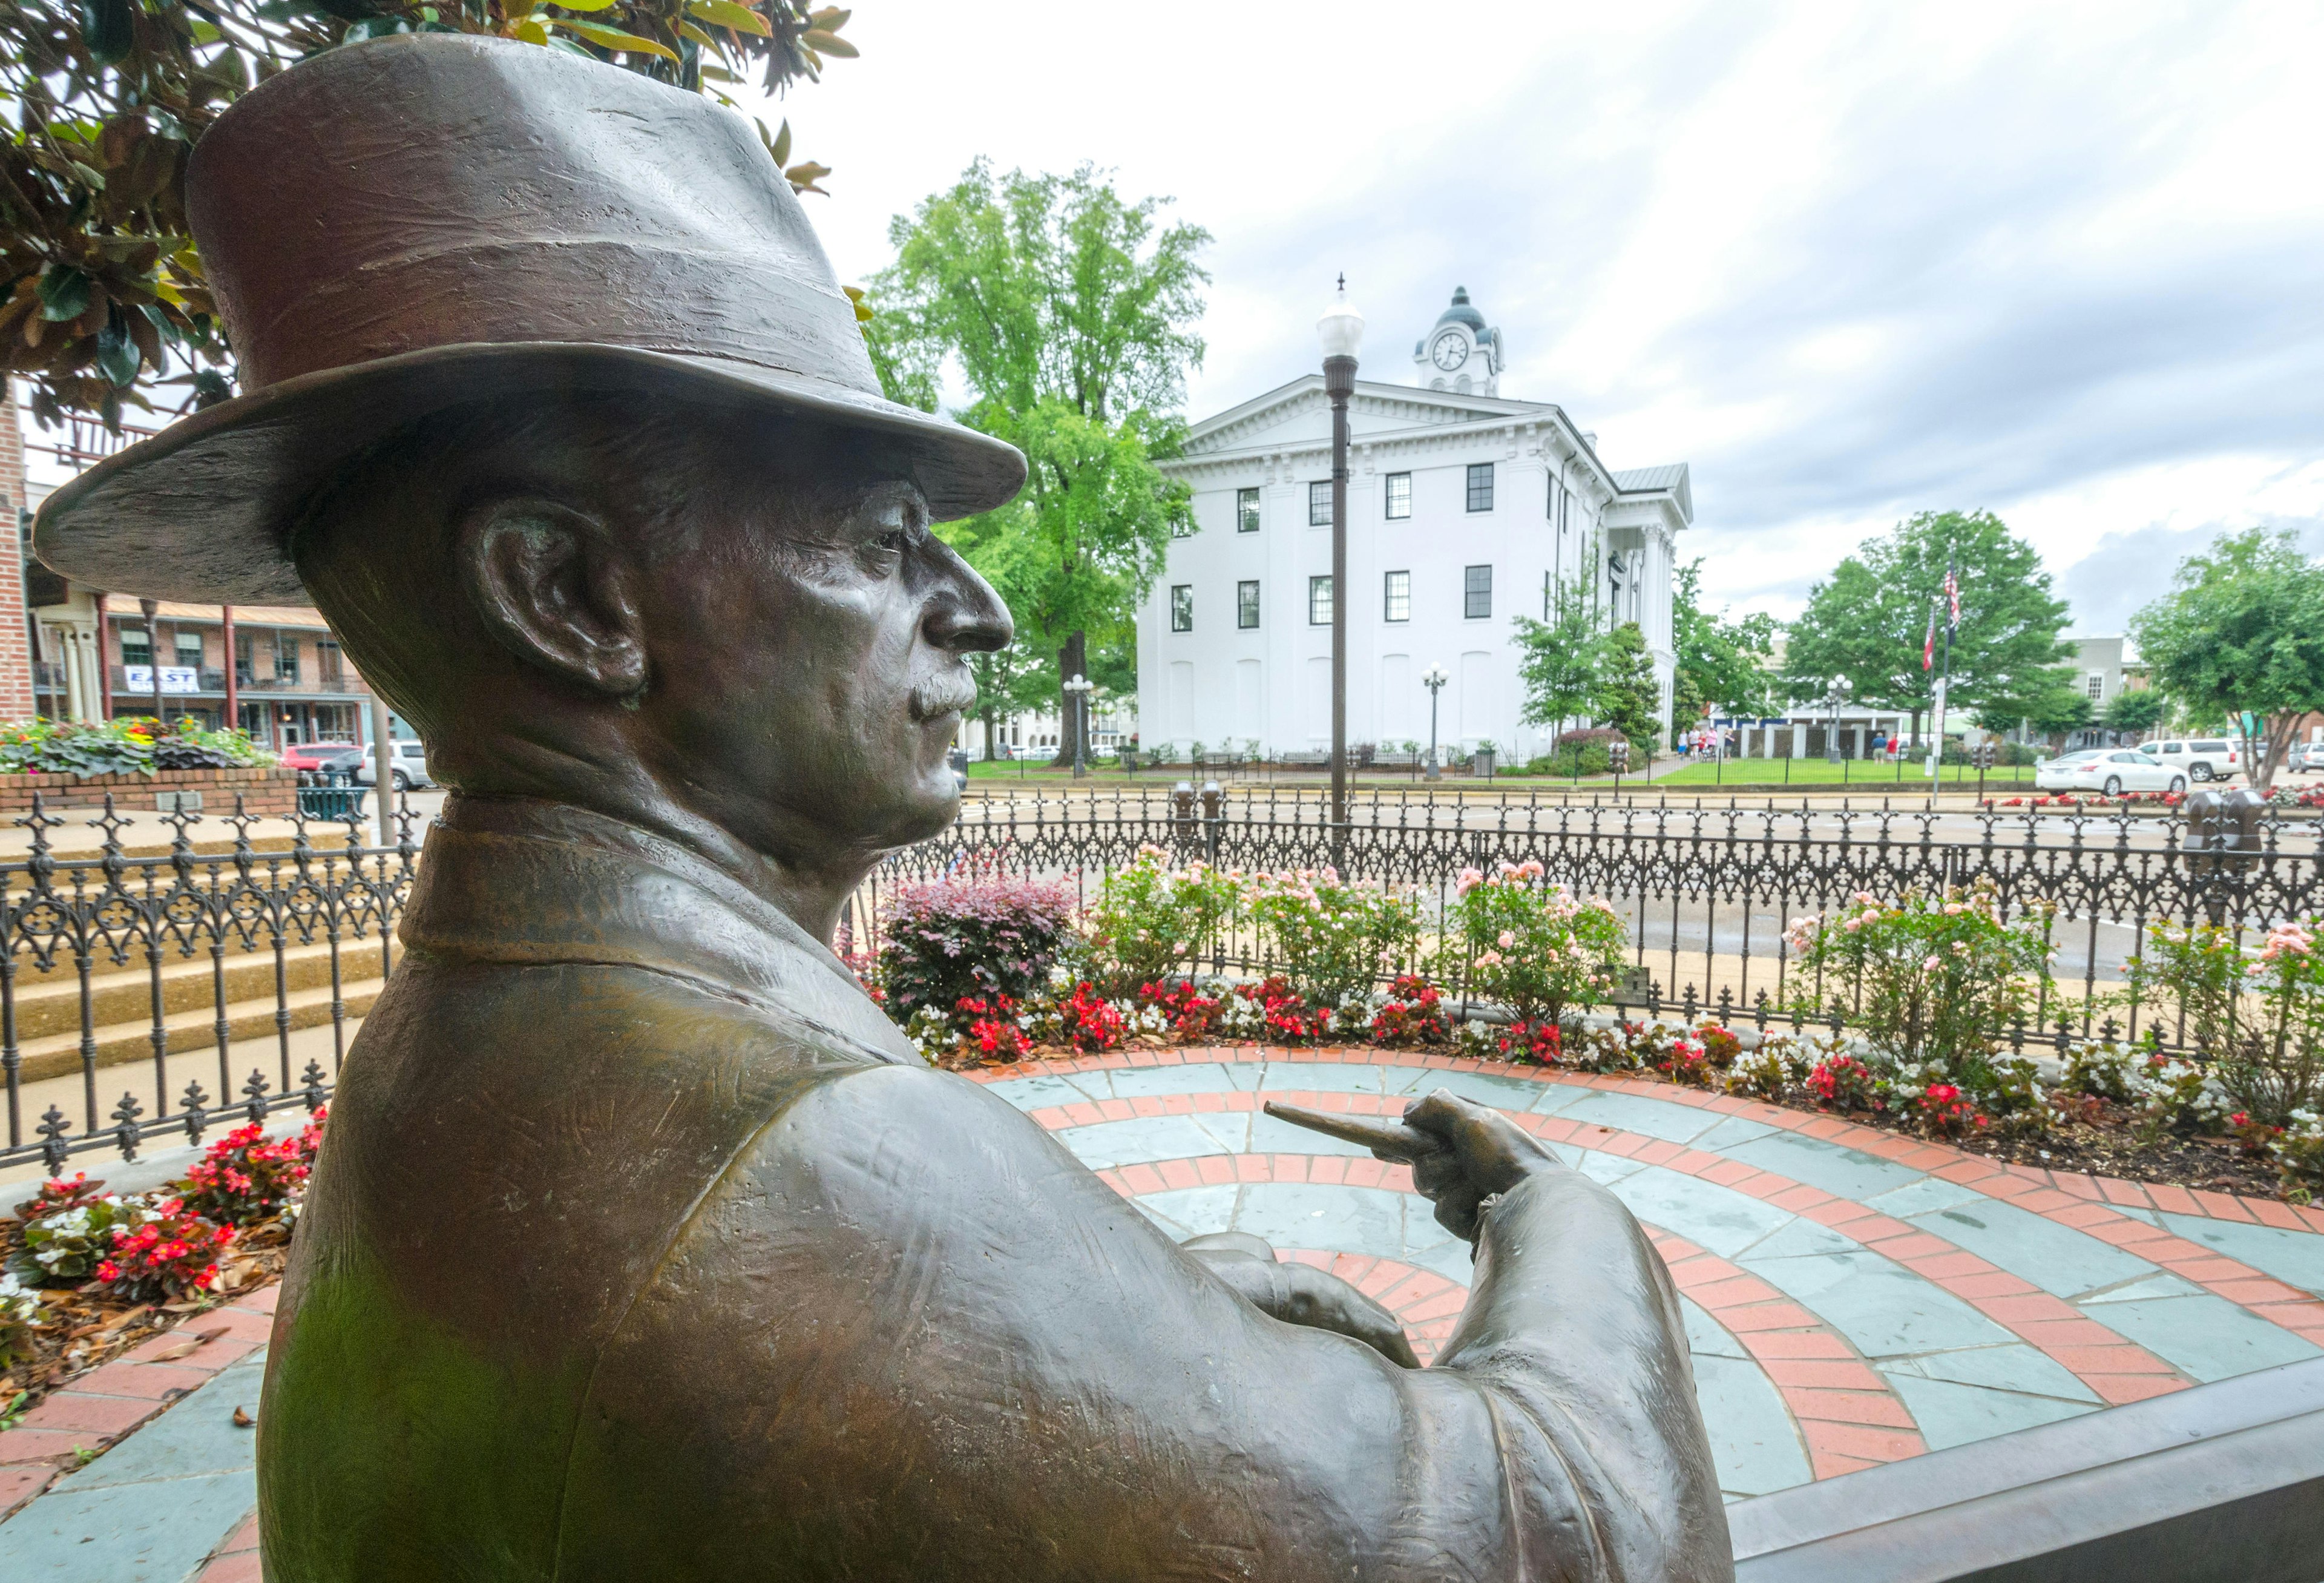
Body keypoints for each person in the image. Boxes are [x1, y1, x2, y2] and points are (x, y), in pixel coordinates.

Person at [35, 36, 1730, 1582]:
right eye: (884, 536)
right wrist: (1561, 1219)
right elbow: (1574, 1535)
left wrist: (1159, 1339)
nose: (979, 609)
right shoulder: (814, 1168)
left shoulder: (471, 1045)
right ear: (569, 598)